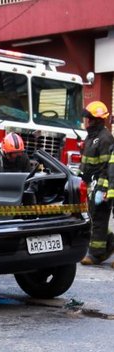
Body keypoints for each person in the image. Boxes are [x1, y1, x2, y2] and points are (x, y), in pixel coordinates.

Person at [80, 101, 114, 266]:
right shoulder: (91, 137)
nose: (88, 122)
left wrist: (102, 187)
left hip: (100, 184)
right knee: (92, 217)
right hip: (89, 184)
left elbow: (107, 167)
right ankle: (110, 243)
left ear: (99, 120)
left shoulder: (105, 138)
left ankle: (96, 254)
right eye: (88, 118)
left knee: (99, 218)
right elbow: (86, 162)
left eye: (91, 119)